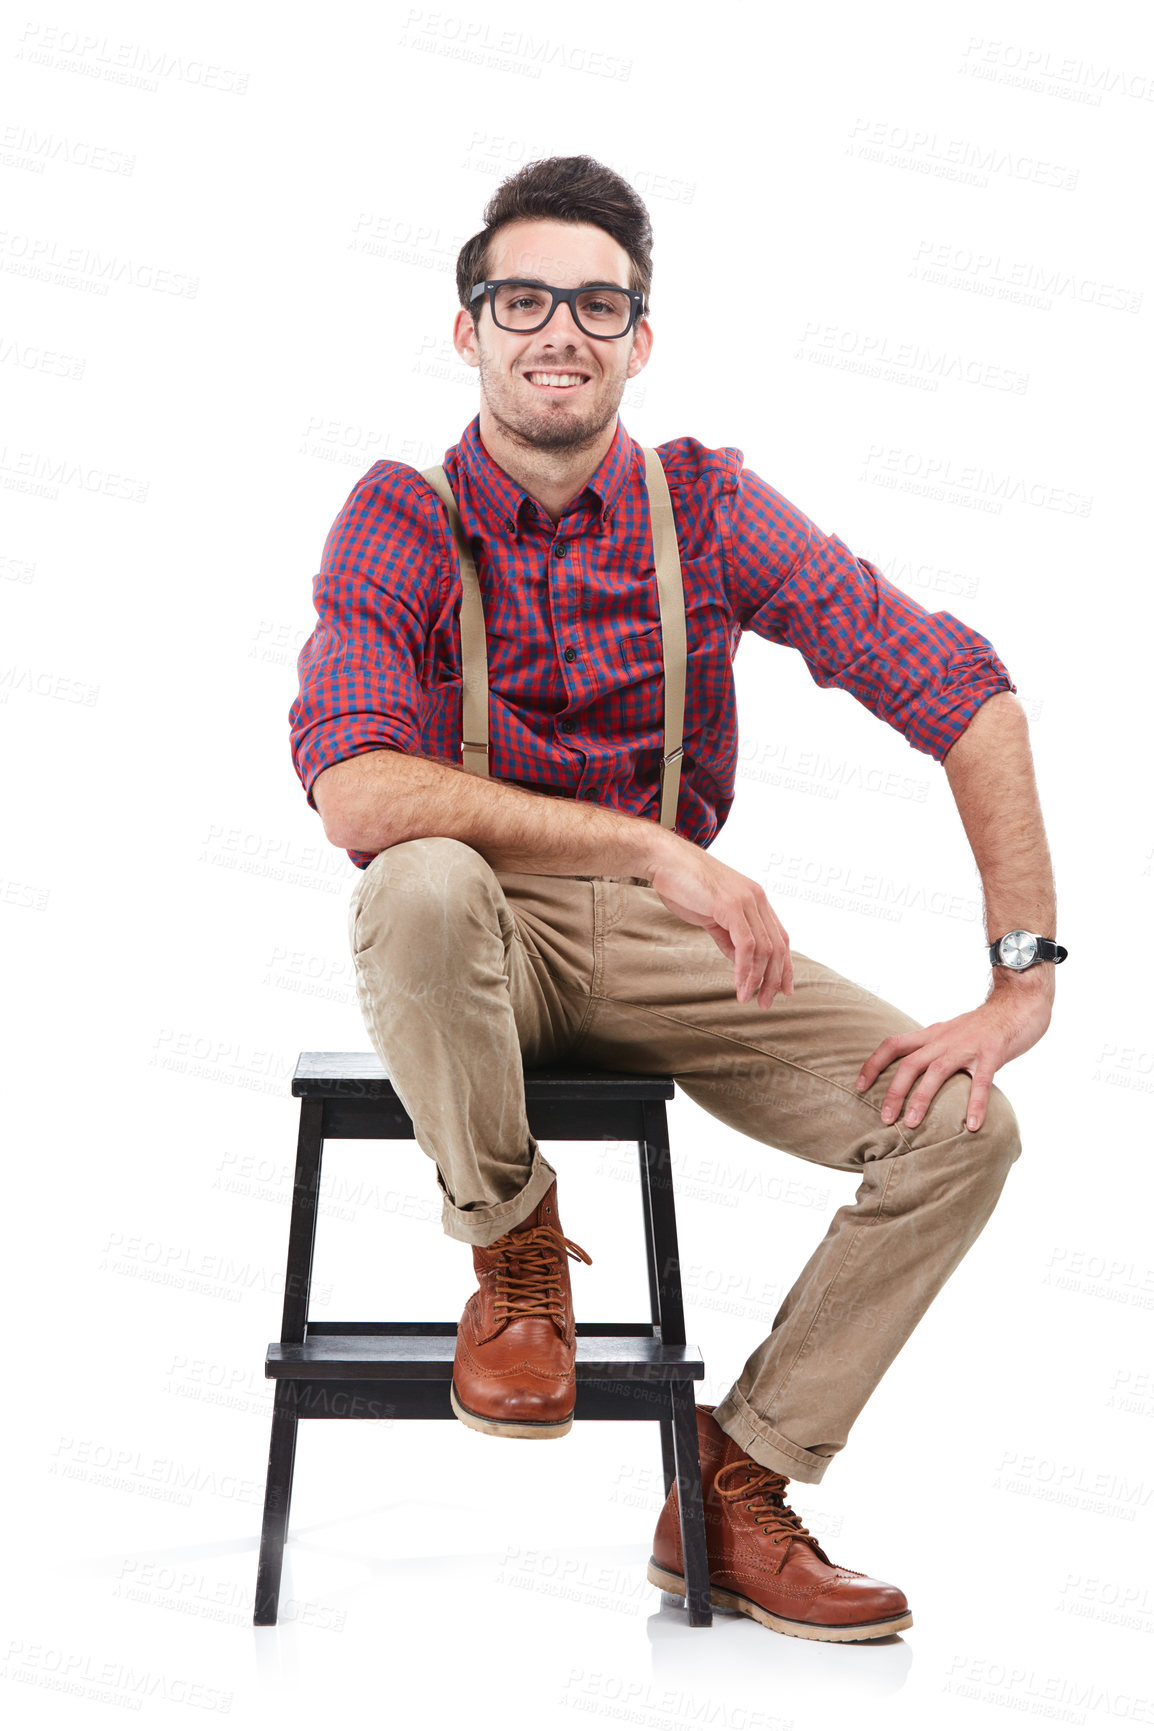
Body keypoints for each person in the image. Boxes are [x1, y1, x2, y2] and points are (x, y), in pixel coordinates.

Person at [287, 155, 1062, 1642]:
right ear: (468, 327)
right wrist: (646, 847)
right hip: (480, 946)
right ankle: (511, 1247)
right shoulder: (397, 517)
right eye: (523, 298)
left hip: (665, 958)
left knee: (963, 1135)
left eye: (597, 302)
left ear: (638, 338)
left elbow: (963, 694)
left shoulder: (701, 505)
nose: (558, 331)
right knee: (424, 881)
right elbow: (356, 794)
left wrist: (1020, 984)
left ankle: (734, 1479)